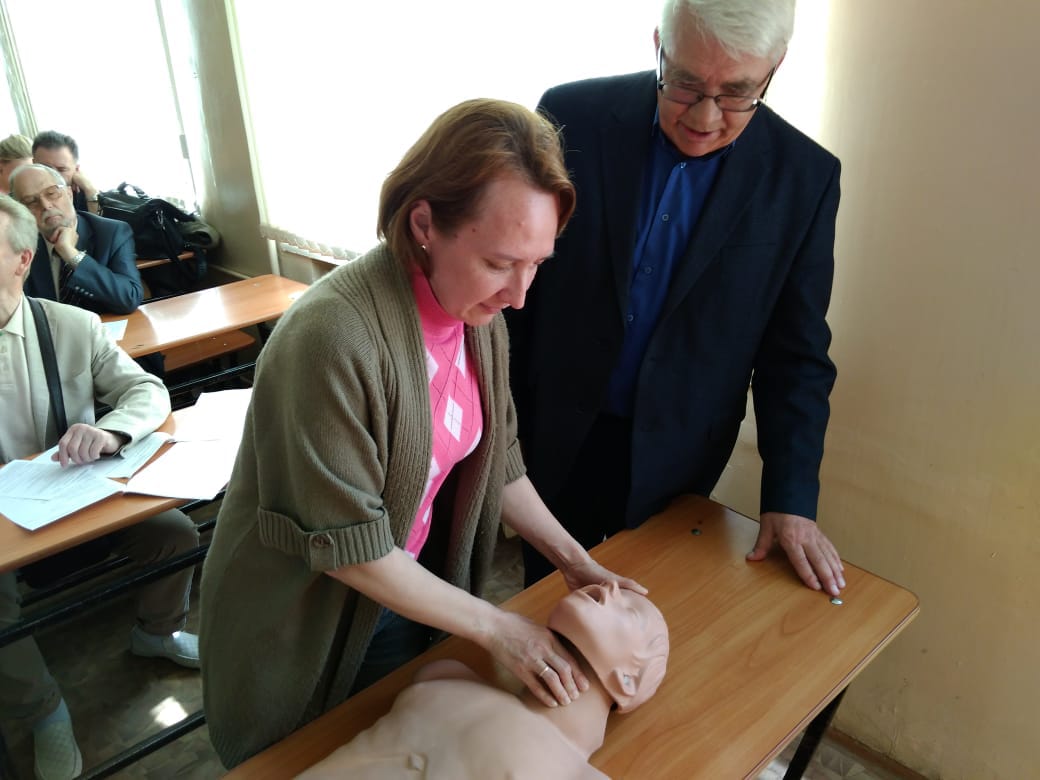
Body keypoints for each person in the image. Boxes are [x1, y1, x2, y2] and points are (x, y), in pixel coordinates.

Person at [199, 98, 645, 768]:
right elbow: (349, 548)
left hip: (408, 585)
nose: (520, 294)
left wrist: (574, 560)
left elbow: (500, 462)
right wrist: (498, 627)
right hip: (309, 615)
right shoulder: (333, 338)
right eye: (500, 262)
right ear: (425, 223)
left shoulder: (478, 320)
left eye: (537, 263)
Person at [506, 0, 846, 597]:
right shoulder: (572, 116)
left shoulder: (804, 178)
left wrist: (791, 499)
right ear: (659, 45)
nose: (705, 116)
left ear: (775, 67)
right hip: (545, 425)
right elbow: (512, 284)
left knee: (642, 613)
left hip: (676, 455)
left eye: (737, 92)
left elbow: (795, 356)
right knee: (539, 596)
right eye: (685, 84)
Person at [0, 195, 200, 780]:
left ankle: (156, 633)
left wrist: (111, 432)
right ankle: (44, 709)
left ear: (22, 260)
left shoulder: (70, 325)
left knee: (176, 534)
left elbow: (147, 392)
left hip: (70, 491)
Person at [296, 582, 669, 779]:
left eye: (631, 611)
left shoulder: (577, 775)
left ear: (628, 681)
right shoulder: (447, 678)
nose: (608, 588)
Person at [10, 163, 143, 315]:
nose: (46, 205)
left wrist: (72, 254)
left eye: (52, 193)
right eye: (31, 201)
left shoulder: (111, 232)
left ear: (69, 193)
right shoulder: (19, 245)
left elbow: (129, 298)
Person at [31, 131, 100, 215]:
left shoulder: (86, 195)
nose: (53, 176)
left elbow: (102, 222)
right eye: (46, 168)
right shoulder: (24, 198)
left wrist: (90, 190)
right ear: (34, 165)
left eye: (61, 169)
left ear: (76, 169)